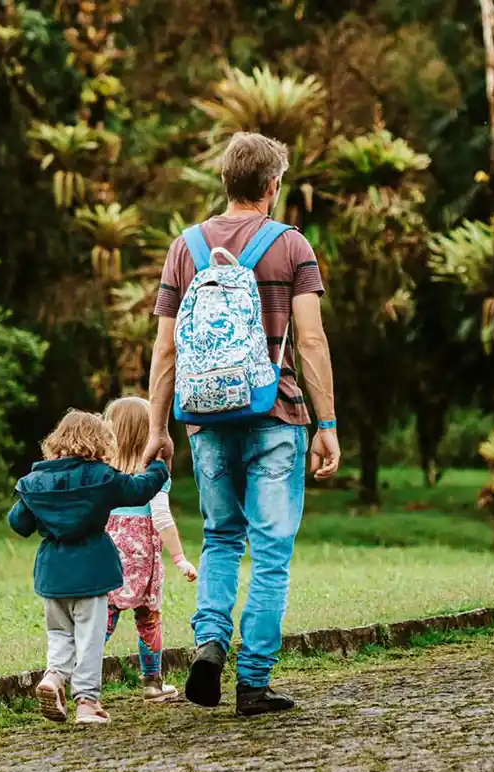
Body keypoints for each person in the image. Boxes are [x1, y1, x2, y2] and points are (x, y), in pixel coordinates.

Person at [141, 132, 340, 717]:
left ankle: (208, 643)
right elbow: (310, 339)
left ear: (225, 182)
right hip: (274, 416)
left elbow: (164, 350)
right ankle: (253, 683)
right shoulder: (291, 246)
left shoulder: (186, 247)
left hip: (205, 422)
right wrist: (325, 421)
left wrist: (159, 430)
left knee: (222, 538)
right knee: (271, 551)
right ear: (273, 185)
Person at [8, 409, 169, 725]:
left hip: (52, 574)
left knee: (59, 634)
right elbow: (140, 489)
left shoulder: (35, 481)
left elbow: (19, 523)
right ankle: (87, 704)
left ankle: (53, 678)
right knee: (89, 639)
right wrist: (160, 467)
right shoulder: (103, 478)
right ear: (99, 442)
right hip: (93, 572)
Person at [102, 397, 199, 703]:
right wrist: (180, 557)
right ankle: (152, 684)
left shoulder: (102, 474)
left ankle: (79, 681)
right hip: (143, 561)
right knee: (149, 619)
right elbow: (161, 518)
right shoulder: (154, 474)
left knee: (103, 619)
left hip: (106, 559)